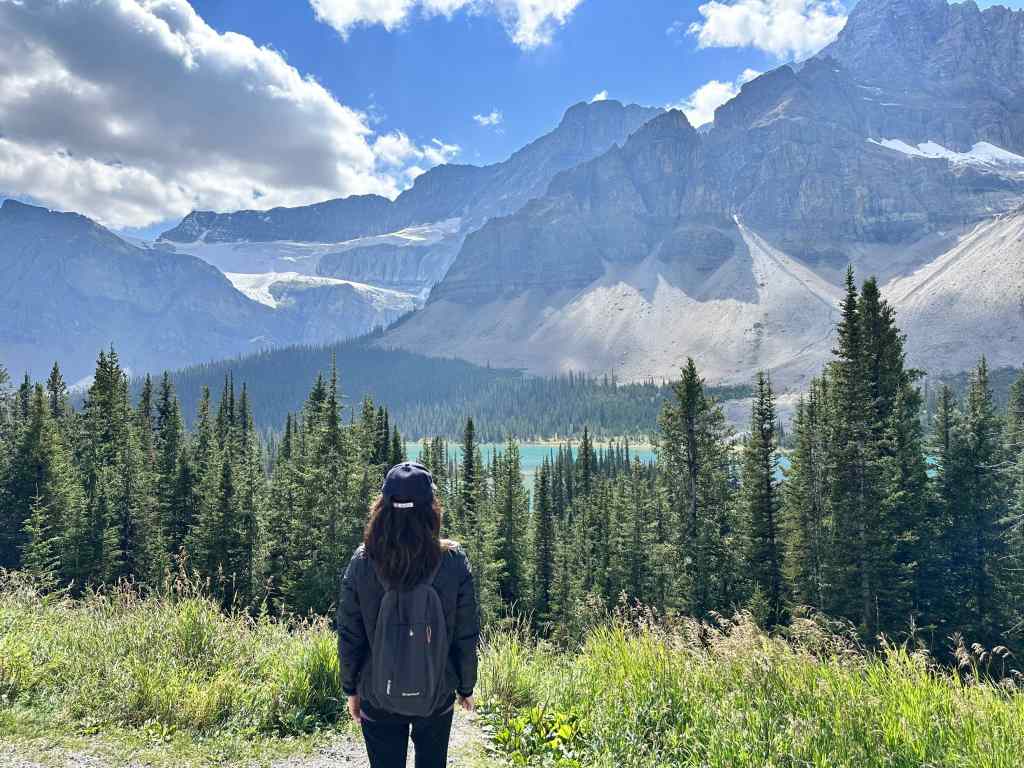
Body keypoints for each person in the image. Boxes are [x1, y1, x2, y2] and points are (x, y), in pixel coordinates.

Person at [337, 461, 480, 768]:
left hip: (377, 693)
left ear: (383, 509)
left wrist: (351, 689)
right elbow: (466, 633)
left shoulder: (363, 562)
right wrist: (465, 687)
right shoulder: (453, 561)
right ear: (431, 509)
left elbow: (350, 633)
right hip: (437, 693)